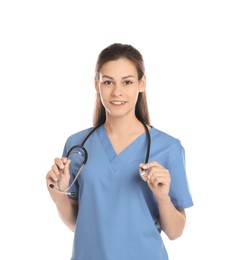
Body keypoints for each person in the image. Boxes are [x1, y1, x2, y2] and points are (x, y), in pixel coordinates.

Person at [46, 43, 193, 260]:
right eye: (108, 82)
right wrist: (58, 196)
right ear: (97, 84)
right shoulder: (78, 145)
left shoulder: (168, 148)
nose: (117, 92)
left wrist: (162, 198)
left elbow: (175, 232)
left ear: (142, 84)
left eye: (127, 82)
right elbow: (80, 224)